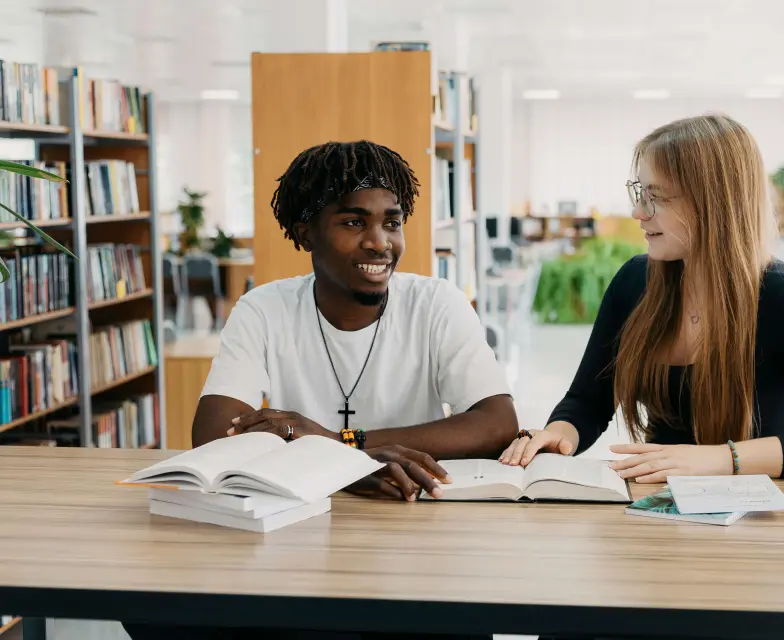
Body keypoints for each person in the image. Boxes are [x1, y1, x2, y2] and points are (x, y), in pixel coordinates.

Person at [123, 142, 512, 640]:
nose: (379, 242)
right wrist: (350, 466)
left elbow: (496, 423)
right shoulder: (264, 309)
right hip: (296, 533)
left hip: (411, 529)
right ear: (305, 232)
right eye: (353, 223)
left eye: (391, 223)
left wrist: (333, 443)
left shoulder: (436, 303)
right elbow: (214, 433)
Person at [500, 114, 784, 481]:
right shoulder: (635, 281)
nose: (638, 212)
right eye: (639, 193)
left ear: (713, 203)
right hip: (658, 508)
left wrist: (722, 458)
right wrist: (558, 434)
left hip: (764, 519)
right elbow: (588, 400)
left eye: (656, 197)